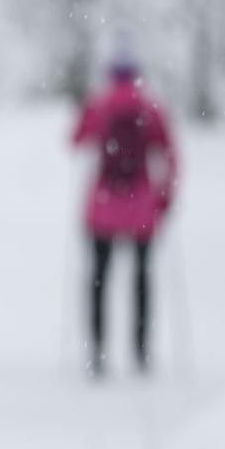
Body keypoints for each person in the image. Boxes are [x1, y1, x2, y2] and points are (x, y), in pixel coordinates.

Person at [72, 56, 178, 377]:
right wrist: (164, 200)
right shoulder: (151, 109)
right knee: (142, 279)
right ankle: (141, 349)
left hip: (103, 208)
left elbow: (75, 140)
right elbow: (169, 155)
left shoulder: (99, 105)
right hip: (141, 206)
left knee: (99, 280)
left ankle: (97, 350)